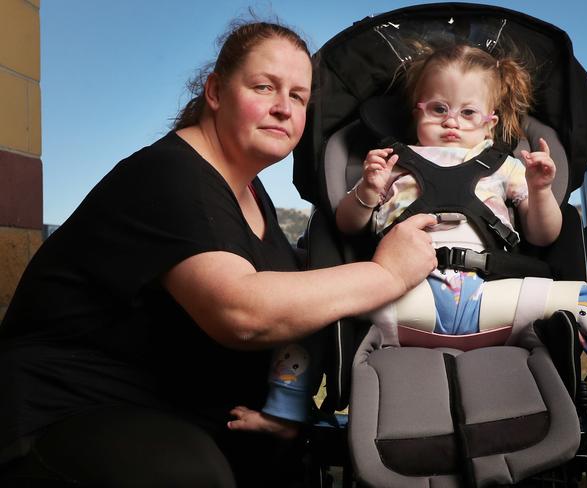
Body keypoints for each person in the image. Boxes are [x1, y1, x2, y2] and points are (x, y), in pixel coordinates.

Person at [0, 20, 438, 487]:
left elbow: (293, 304)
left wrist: (286, 408)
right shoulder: (168, 175)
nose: (282, 108)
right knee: (191, 476)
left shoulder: (249, 192)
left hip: (183, 410)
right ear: (215, 91)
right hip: (64, 411)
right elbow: (242, 312)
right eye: (264, 86)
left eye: (297, 96)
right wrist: (388, 274)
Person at [335, 43, 587, 405]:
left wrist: (540, 189)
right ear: (416, 111)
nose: (451, 120)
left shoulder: (507, 167)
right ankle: (288, 394)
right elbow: (348, 225)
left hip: (488, 298)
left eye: (468, 112)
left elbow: (543, 234)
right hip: (406, 296)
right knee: (322, 304)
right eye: (438, 108)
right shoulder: (392, 164)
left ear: (491, 123)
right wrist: (368, 189)